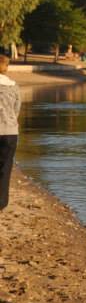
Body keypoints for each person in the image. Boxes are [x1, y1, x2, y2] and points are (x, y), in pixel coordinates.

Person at [0, 55, 20, 210]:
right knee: (5, 167)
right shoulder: (14, 85)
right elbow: (16, 109)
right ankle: (2, 202)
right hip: (10, 131)